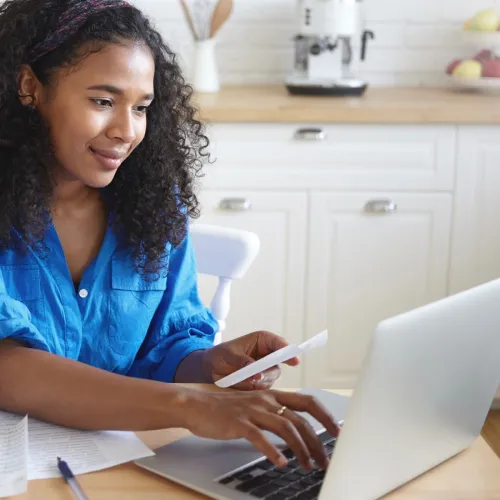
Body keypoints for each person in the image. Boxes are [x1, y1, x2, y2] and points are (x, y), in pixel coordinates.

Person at [0, 0, 339, 472]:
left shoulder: (151, 209)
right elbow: (9, 369)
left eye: (141, 107)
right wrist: (190, 404)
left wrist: (208, 366)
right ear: (29, 86)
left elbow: (165, 345)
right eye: (102, 101)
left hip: (118, 464)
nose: (125, 130)